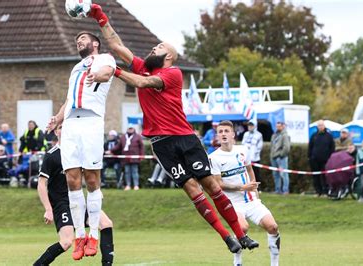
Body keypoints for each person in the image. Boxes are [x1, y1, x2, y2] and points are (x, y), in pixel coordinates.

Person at [88, 4, 258, 253]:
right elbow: (116, 45)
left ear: (168, 56)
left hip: (185, 137)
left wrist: (115, 71)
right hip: (162, 143)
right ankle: (226, 237)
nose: (152, 49)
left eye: (158, 47)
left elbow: (144, 83)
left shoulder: (173, 73)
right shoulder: (143, 65)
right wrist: (100, 16)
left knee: (211, 185)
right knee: (192, 190)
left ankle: (241, 234)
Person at [47, 30, 116, 260]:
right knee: (72, 180)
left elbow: (108, 73)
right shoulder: (75, 68)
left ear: (95, 43)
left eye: (84, 39)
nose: (80, 41)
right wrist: (57, 117)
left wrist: (97, 76)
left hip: (91, 121)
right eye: (77, 40)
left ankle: (94, 234)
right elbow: (69, 99)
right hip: (71, 124)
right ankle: (79, 237)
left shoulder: (104, 59)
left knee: (92, 180)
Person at [34, 126, 114, 266]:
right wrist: (48, 208)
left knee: (106, 224)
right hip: (62, 204)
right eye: (60, 128)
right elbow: (41, 184)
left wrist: (97, 191)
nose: (64, 130)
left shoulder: (77, 153)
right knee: (66, 242)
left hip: (79, 201)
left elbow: (91, 175)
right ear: (56, 132)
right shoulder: (52, 156)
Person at [210, 120, 280, 266]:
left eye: (226, 131)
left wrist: (254, 189)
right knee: (242, 228)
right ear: (217, 136)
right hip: (233, 203)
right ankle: (237, 262)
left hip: (251, 200)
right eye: (220, 132)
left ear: (233, 134)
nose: (223, 134)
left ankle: (275, 264)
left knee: (273, 227)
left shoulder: (243, 150)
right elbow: (219, 184)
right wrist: (242, 187)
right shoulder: (214, 157)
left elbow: (249, 170)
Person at [110, 125, 144, 191]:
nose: (130, 130)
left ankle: (136, 185)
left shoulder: (138, 137)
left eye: (131, 128)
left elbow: (142, 147)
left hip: (135, 157)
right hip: (125, 158)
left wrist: (141, 155)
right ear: (127, 129)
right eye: (129, 128)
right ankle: (128, 185)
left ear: (134, 129)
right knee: (127, 172)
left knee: (135, 172)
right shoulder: (123, 137)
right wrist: (111, 151)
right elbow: (118, 146)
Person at [308, 120, 335, 196]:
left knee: (325, 176)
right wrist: (310, 157)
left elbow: (332, 148)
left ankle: (326, 191)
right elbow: (310, 147)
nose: (320, 127)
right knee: (316, 176)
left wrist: (330, 158)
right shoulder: (314, 136)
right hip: (314, 160)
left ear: (324, 126)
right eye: (319, 125)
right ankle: (318, 191)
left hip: (325, 160)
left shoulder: (329, 136)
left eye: (322, 125)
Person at [270, 121, 291, 195]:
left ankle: (285, 190)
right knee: (276, 175)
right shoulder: (274, 135)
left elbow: (287, 147)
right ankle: (277, 190)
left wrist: (281, 155)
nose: (278, 127)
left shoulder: (285, 135)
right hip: (273, 157)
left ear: (283, 126)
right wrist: (272, 155)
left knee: (284, 174)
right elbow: (272, 146)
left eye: (279, 126)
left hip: (281, 158)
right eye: (277, 126)